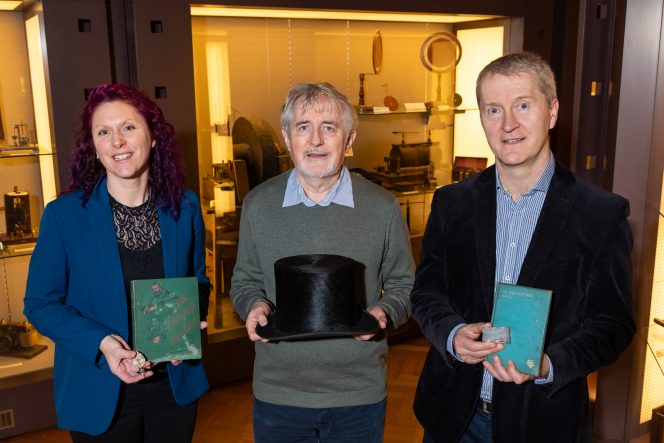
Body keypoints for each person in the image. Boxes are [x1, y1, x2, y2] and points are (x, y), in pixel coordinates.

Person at [411, 52, 635, 443]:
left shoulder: (601, 214)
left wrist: (549, 363)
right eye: (494, 110)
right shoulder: (451, 203)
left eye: (523, 106)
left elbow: (612, 325)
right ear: (481, 117)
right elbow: (427, 292)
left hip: (543, 422)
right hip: (452, 418)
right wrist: (452, 333)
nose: (508, 124)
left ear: (552, 112)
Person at [23, 83, 210, 442]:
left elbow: (197, 280)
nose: (117, 142)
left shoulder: (184, 207)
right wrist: (103, 343)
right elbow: (40, 304)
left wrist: (184, 323)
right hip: (98, 388)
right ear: (93, 147)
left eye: (128, 127)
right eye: (104, 132)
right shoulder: (64, 216)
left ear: (153, 136)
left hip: (173, 386)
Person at [230, 82, 414, 442]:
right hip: (278, 393)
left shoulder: (382, 207)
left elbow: (404, 285)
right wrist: (253, 305)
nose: (315, 140)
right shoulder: (258, 205)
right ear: (287, 138)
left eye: (328, 127)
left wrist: (383, 313)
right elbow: (245, 280)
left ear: (349, 140)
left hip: (358, 393)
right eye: (303, 127)